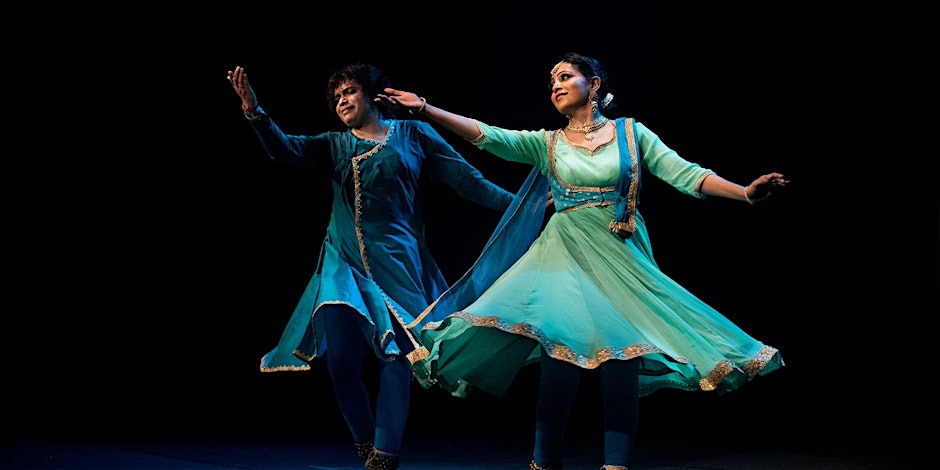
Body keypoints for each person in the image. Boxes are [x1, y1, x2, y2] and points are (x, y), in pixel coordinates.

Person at [375, 52, 789, 470]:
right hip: (562, 256)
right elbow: (488, 135)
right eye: (551, 79)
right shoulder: (547, 143)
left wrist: (745, 193)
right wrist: (426, 108)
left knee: (623, 359)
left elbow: (686, 174)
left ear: (593, 85)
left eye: (565, 76)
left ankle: (616, 465)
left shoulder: (631, 134)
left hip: (620, 259)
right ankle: (543, 462)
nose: (555, 84)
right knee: (561, 357)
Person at [226, 62, 516, 470]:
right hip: (342, 265)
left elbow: (469, 182)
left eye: (350, 91)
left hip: (396, 261)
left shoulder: (415, 135)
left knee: (397, 356)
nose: (343, 100)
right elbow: (284, 148)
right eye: (337, 96)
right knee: (342, 363)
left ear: (374, 96)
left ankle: (385, 453)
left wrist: (524, 206)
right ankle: (364, 442)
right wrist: (254, 110)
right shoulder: (334, 145)